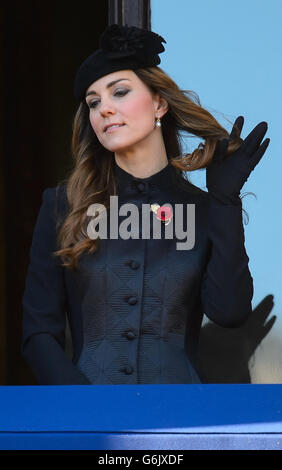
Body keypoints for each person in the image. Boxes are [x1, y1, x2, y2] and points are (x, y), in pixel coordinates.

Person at [21, 24, 270, 385]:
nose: (104, 109)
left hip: (179, 424)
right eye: (94, 102)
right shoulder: (62, 206)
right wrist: (86, 410)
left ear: (159, 102)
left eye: (119, 92)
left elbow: (229, 312)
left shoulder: (203, 210)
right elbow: (38, 335)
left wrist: (225, 202)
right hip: (91, 426)